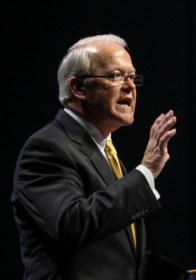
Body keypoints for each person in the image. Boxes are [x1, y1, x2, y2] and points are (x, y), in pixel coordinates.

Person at [11, 34, 177, 280]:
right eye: (115, 76)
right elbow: (73, 224)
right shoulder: (47, 148)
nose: (130, 86)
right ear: (78, 87)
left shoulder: (106, 152)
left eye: (132, 77)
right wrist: (146, 171)